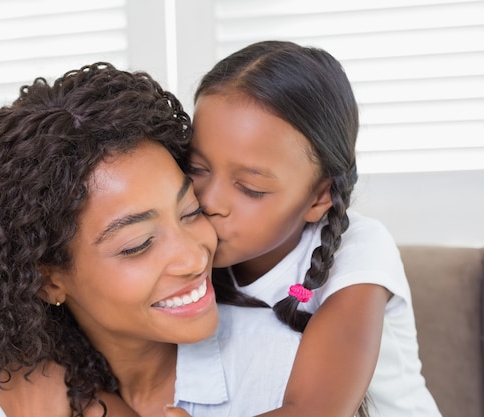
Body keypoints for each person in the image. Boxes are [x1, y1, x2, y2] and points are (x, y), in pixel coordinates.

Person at [0, 62, 300, 417]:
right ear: (49, 279)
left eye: (191, 212)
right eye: (138, 244)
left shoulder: (288, 369)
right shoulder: (6, 401)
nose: (194, 258)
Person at [186, 40, 441, 417]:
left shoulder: (360, 248)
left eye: (250, 188)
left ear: (319, 197)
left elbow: (314, 411)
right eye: (197, 169)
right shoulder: (188, 250)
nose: (210, 202)